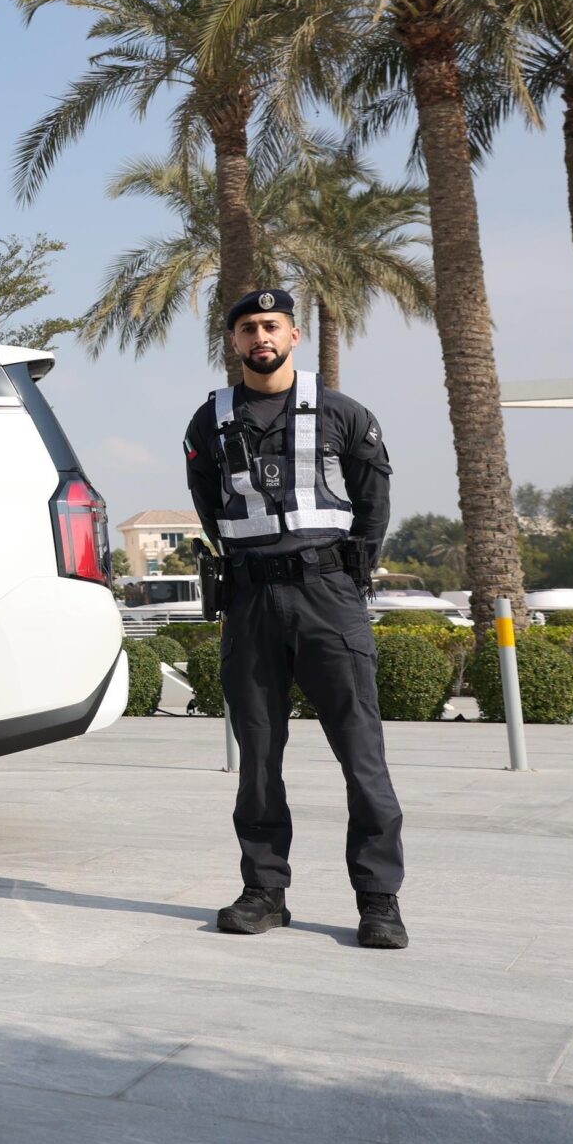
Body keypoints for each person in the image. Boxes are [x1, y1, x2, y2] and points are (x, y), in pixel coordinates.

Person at [184, 288, 406, 949]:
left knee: (361, 753)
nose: (261, 337)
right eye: (248, 328)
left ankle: (379, 899)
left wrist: (344, 571)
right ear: (234, 341)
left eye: (272, 325)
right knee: (257, 756)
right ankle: (264, 891)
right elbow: (208, 504)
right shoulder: (209, 421)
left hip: (327, 595)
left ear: (294, 334)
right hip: (250, 600)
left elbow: (374, 502)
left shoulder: (342, 413)